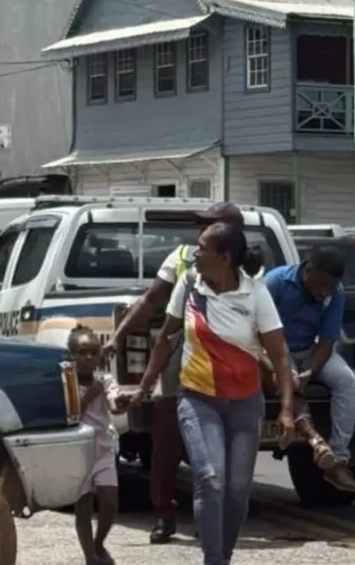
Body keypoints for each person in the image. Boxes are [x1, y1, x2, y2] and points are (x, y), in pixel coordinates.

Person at [129, 222, 295, 565]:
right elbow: (165, 340)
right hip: (197, 400)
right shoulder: (189, 285)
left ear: (225, 257)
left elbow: (279, 355)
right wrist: (144, 387)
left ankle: (224, 556)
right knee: (210, 478)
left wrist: (287, 411)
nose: (195, 253)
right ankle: (213, 560)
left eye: (202, 248)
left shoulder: (255, 293)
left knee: (236, 492)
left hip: (246, 406)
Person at [103, 201, 245, 544]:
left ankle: (209, 516)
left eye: (209, 225)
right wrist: (119, 337)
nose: (200, 231)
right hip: (182, 363)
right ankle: (164, 515)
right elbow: (151, 302)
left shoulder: (248, 272)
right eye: (202, 226)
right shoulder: (183, 259)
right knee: (166, 443)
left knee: (214, 450)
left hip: (225, 372)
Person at [263, 247, 355, 492]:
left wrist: (310, 372)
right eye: (320, 284)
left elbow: (327, 341)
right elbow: (260, 329)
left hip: (308, 348)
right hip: (274, 346)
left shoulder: (335, 294)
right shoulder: (276, 282)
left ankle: (337, 458)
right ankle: (316, 442)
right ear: (308, 270)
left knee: (346, 382)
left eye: (329, 287)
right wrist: (288, 369)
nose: (323, 292)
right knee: (289, 380)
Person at [69, 324, 129, 565]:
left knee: (110, 502)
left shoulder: (104, 379)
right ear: (72, 355)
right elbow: (69, 415)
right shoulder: (68, 381)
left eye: (94, 351)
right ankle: (89, 557)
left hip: (102, 450)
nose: (89, 357)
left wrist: (122, 401)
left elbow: (114, 401)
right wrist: (89, 395)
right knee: (83, 507)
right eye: (82, 352)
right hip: (78, 452)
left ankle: (99, 542)